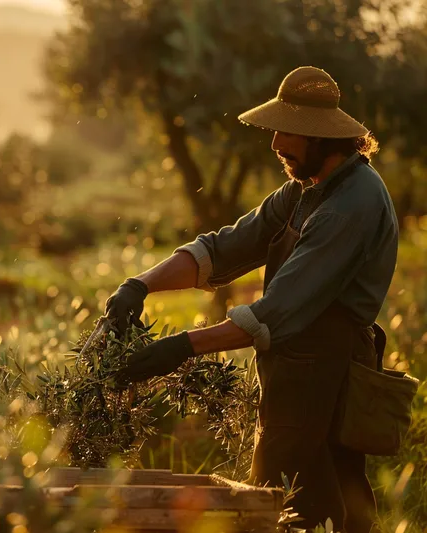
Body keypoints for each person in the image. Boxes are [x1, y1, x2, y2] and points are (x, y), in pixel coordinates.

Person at [106, 66, 398, 532]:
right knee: (319, 498)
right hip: (296, 371)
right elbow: (224, 247)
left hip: (326, 374)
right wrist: (138, 285)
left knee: (299, 505)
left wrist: (177, 348)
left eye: (287, 132)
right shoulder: (306, 191)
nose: (275, 143)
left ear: (319, 138)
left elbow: (273, 314)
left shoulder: (350, 206)